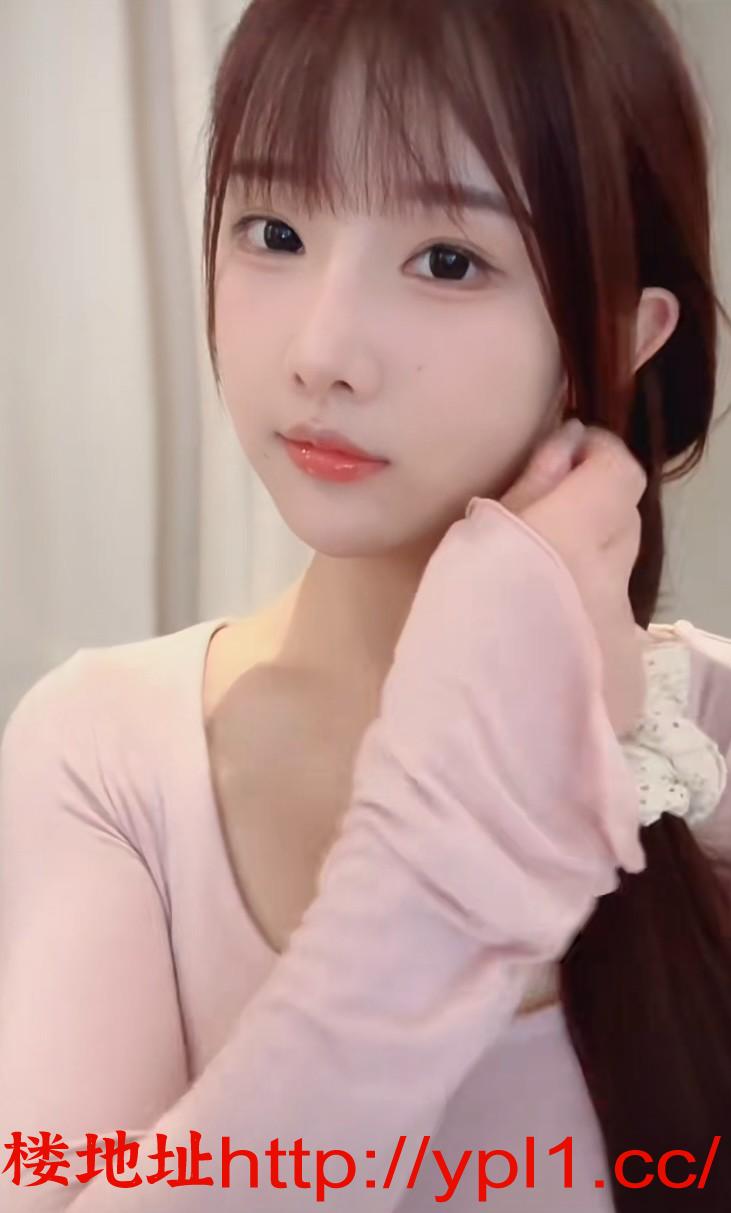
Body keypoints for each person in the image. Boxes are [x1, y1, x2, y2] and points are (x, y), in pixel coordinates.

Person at [1, 0, 731, 1208]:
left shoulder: (700, 739)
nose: (321, 349)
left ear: (617, 333)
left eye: (447, 260)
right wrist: (450, 846)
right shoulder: (108, 755)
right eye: (274, 231)